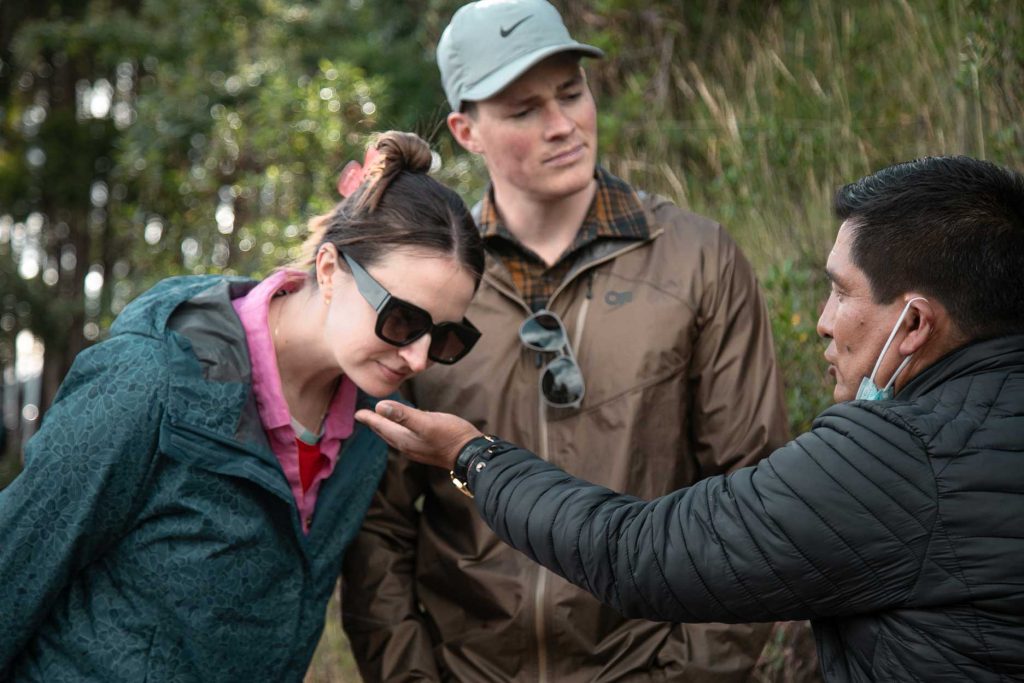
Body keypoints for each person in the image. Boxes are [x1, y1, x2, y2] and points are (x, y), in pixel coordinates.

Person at [355, 154, 1024, 682]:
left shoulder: (894, 459)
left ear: (913, 322)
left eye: (841, 291)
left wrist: (474, 457)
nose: (821, 321)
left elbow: (637, 553)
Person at [340, 1, 791, 680]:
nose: (563, 126)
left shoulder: (699, 260)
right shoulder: (426, 289)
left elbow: (749, 495)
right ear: (466, 130)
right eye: (524, 110)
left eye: (572, 93)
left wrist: (698, 672)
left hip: (650, 666)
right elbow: (381, 528)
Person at [0, 131, 486, 681]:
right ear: (329, 269)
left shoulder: (368, 430)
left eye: (447, 338)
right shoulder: (148, 383)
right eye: (403, 320)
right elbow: (15, 568)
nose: (419, 358)